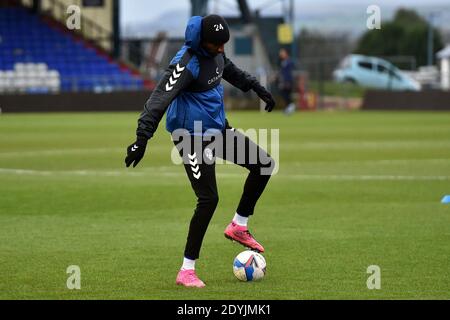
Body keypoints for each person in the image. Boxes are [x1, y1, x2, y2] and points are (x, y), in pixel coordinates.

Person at [124, 15, 276, 288]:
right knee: (208, 199)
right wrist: (141, 139)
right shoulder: (186, 63)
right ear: (201, 41)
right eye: (216, 44)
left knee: (263, 164)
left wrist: (256, 87)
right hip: (191, 137)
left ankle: (238, 226)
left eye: (223, 44)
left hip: (217, 130)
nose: (221, 48)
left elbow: (227, 69)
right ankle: (186, 271)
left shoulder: (215, 53)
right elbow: (158, 99)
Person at [277, 48, 296, 115]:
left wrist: (288, 81)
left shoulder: (289, 61)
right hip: (284, 81)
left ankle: (291, 106)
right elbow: (281, 72)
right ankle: (289, 107)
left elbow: (289, 71)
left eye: (282, 53)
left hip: (288, 81)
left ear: (286, 53)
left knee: (286, 94)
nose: (280, 54)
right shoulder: (283, 62)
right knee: (283, 94)